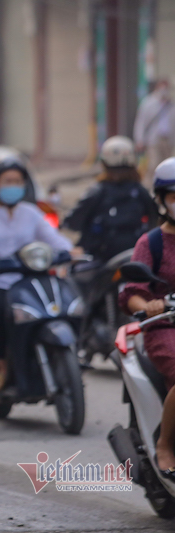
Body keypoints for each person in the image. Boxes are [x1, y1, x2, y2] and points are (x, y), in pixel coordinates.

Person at [0, 160, 75, 392]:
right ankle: (2, 366)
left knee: (64, 302)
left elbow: (53, 238)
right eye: (8, 182)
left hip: (29, 280)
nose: (13, 186)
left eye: (18, 182)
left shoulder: (31, 213)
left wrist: (70, 250)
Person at [120, 157, 175, 477]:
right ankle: (166, 443)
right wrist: (150, 304)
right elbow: (132, 293)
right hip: (165, 326)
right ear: (160, 200)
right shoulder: (151, 242)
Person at [63, 135, 158, 263]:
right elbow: (155, 219)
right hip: (135, 254)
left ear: (104, 163)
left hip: (100, 256)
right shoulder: (140, 191)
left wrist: (64, 223)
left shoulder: (97, 191)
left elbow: (74, 219)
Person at [134, 78, 175, 187]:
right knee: (153, 164)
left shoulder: (171, 104)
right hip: (153, 139)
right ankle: (150, 187)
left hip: (168, 139)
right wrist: (140, 139)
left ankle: (165, 188)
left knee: (167, 165)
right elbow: (141, 122)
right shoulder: (149, 102)